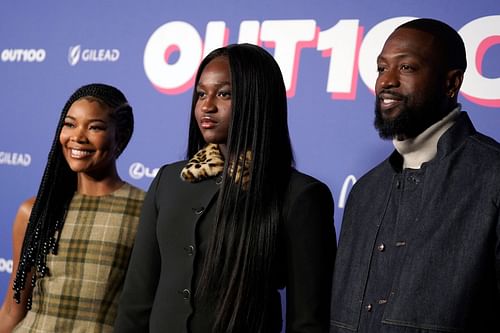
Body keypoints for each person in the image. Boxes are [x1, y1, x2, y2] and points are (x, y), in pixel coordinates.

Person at [114, 43, 336, 333]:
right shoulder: (169, 180)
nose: (207, 106)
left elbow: (308, 320)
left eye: (224, 94)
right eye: (201, 94)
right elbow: (136, 300)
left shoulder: (300, 196)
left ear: (257, 99)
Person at [329, 18, 500, 332]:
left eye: (406, 68)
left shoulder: (493, 175)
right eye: (382, 68)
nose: (387, 81)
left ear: (451, 83)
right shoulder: (366, 191)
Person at [0, 83, 145, 332]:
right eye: (70, 124)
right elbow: (14, 310)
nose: (77, 136)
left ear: (120, 135)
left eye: (95, 127)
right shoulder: (36, 211)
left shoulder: (146, 210)